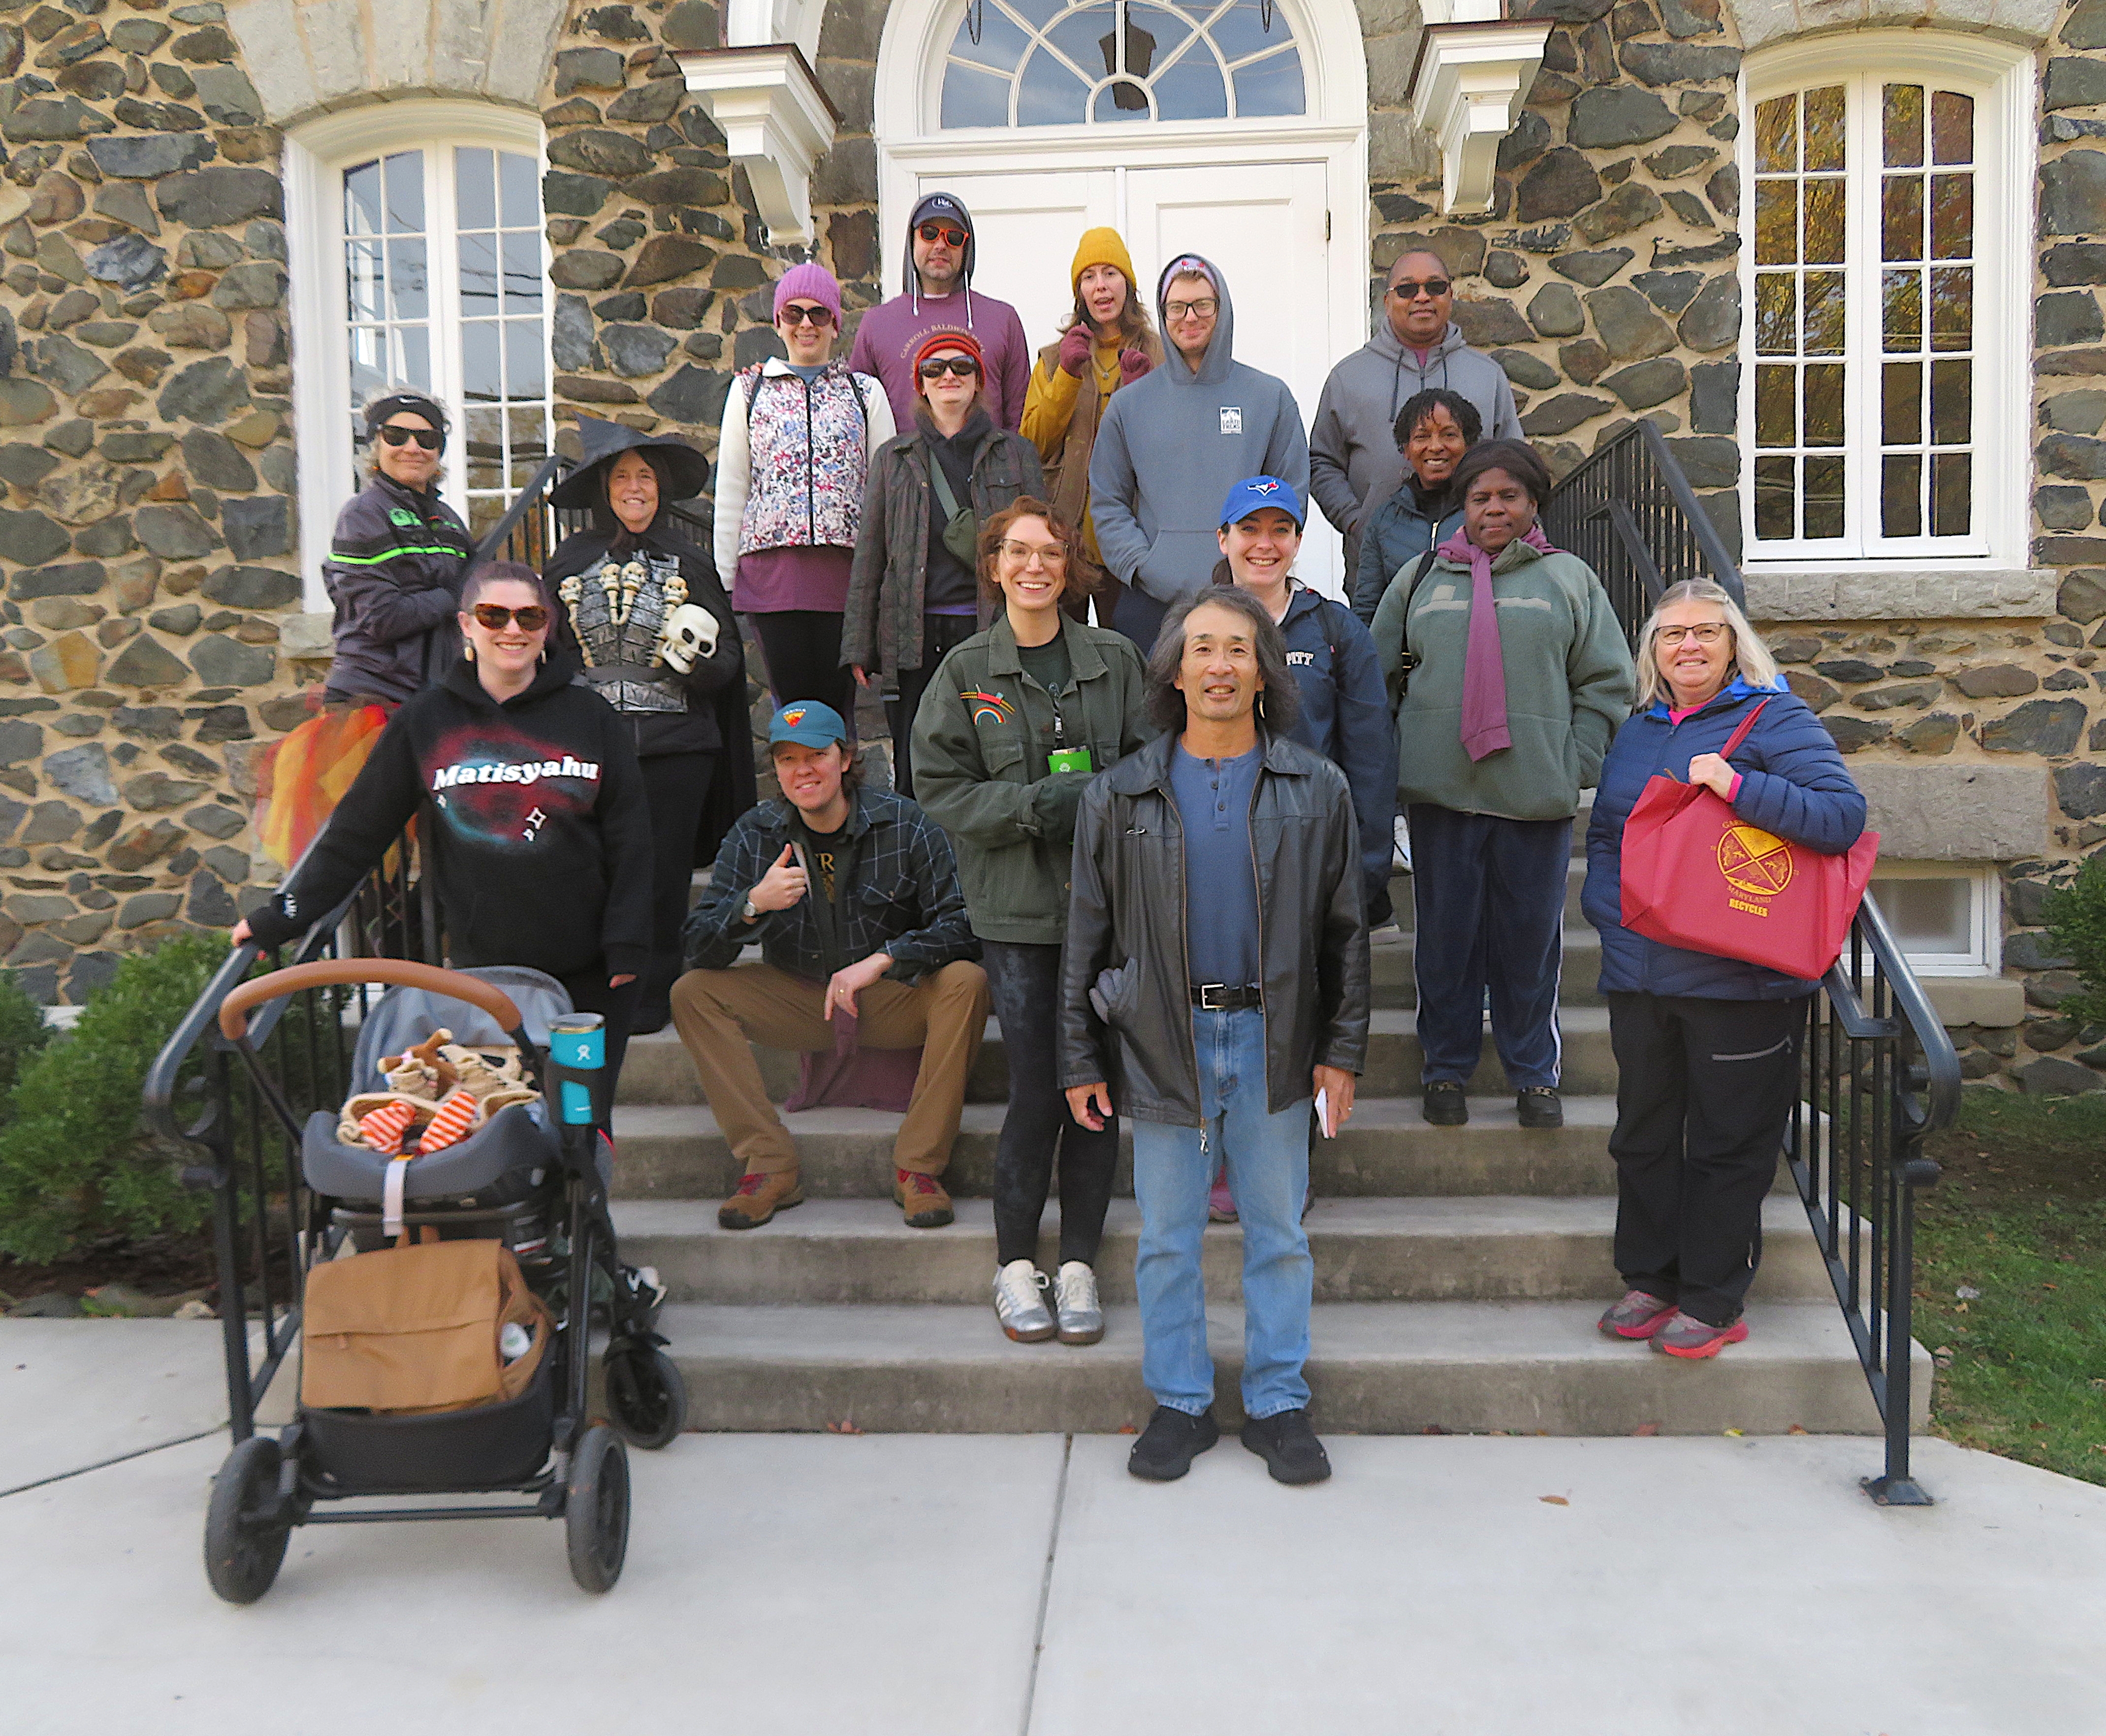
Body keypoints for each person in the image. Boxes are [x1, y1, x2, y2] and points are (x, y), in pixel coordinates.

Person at [1061, 587, 1370, 1487]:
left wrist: (1342, 1051)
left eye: (1238, 648)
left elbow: (1346, 932)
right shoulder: (1120, 793)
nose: (1219, 666)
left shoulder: (1317, 788)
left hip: (1276, 1039)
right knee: (1167, 1236)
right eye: (1201, 648)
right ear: (1174, 671)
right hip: (1165, 1039)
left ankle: (1277, 1402)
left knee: (1278, 1234)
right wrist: (1078, 1054)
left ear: (1263, 672)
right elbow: (1085, 934)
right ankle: (1180, 1402)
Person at [1585, 579, 1865, 1360]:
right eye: (1672, 633)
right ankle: (1650, 1277)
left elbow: (1841, 816)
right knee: (1642, 1136)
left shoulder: (1775, 717)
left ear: (1733, 643)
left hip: (1738, 977)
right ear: (1653, 650)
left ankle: (1711, 1297)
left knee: (1726, 1141)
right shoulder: (1639, 727)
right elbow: (1608, 833)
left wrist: (1738, 785)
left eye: (1706, 631)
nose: (1688, 646)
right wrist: (1609, 913)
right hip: (1641, 973)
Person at [235, 561, 653, 1082]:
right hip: (486, 978)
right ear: (466, 625)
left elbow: (632, 838)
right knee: (500, 1111)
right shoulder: (426, 720)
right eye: (494, 615)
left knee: (582, 1114)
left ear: (546, 627)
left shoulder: (592, 716)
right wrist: (280, 918)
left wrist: (629, 944)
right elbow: (357, 832)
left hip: (591, 973)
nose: (513, 630)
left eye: (529, 617)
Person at [911, 498, 1150, 1348]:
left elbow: (1154, 764)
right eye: (1017, 552)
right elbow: (939, 787)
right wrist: (1033, 806)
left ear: (1070, 565)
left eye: (1050, 552)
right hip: (1015, 912)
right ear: (994, 566)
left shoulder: (1116, 661)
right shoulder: (965, 672)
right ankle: (1015, 1263)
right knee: (1038, 1087)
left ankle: (1078, 1260)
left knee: (1097, 1087)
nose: (1034, 566)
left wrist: (1102, 802)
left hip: (1108, 911)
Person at [1371, 438, 1633, 1132]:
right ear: (1462, 505)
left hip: (1533, 798)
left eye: (1508, 496)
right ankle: (1445, 1067)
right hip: (1441, 797)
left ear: (1533, 503)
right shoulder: (1420, 578)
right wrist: (1400, 757)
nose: (1494, 508)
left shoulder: (1568, 579)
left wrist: (1575, 762)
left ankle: (1534, 1072)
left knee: (1528, 944)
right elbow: (1377, 680)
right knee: (1445, 942)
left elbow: (1606, 681)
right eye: (1480, 497)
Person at [672, 701, 989, 1232]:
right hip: (801, 1001)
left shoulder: (905, 823)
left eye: (817, 755)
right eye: (788, 759)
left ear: (844, 759)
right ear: (776, 769)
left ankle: (918, 1167)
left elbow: (963, 924)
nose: (804, 771)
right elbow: (698, 947)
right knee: (692, 993)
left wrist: (886, 959)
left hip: (889, 999)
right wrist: (752, 905)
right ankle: (770, 1165)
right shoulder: (754, 832)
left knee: (966, 982)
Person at [1204, 474, 1395, 1224]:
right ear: (1223, 539)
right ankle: (1224, 1154)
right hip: (1215, 856)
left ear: (1297, 541)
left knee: (1299, 1017)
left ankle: (1286, 1162)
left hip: (1309, 862)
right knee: (1222, 1015)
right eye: (1249, 529)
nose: (1264, 544)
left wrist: (1367, 864)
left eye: (1279, 529)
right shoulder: (1194, 625)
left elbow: (1370, 755)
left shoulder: (1336, 630)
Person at [543, 418, 751, 1035]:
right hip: (592, 746)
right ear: (604, 488)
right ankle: (591, 986)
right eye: (622, 477)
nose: (635, 488)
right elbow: (546, 650)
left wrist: (698, 665)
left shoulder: (692, 561)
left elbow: (729, 657)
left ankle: (653, 995)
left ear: (660, 488)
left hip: (676, 748)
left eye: (646, 477)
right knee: (590, 871)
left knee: (663, 878)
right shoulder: (568, 562)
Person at [843, 330, 1045, 799]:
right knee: (916, 761)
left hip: (992, 629)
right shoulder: (893, 458)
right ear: (921, 384)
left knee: (996, 756)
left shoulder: (1016, 454)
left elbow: (1041, 547)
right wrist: (858, 645)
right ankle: (921, 846)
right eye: (934, 369)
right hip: (913, 638)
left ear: (979, 381)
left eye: (962, 367)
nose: (948, 376)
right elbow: (870, 555)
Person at [1088, 255, 1310, 652]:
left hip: (1249, 601)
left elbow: (1290, 495)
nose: (1190, 317)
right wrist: (1142, 566)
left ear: (1221, 309)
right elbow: (1108, 502)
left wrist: (1258, 565)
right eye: (1177, 307)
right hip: (1152, 606)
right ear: (1163, 314)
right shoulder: (1128, 405)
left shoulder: (1269, 398)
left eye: (1202, 305)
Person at [714, 262, 895, 725]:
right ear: (778, 322)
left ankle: (840, 776)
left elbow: (887, 490)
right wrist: (726, 578)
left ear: (836, 323)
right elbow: (733, 484)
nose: (806, 325)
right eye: (794, 314)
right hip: (772, 579)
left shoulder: (864, 393)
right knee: (793, 712)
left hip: (847, 578)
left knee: (838, 711)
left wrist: (885, 575)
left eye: (819, 313)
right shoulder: (748, 391)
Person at [1309, 249, 1522, 574]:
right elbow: (1322, 462)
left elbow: (1515, 462)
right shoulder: (1348, 377)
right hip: (1378, 564)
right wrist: (1355, 521)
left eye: (1434, 287)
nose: (1422, 297)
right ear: (1387, 301)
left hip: (1476, 560)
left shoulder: (1487, 375)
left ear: (1450, 295)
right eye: (1407, 289)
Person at [1017, 227, 1160, 613]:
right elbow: (1031, 446)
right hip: (1063, 541)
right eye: (1089, 277)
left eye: (1111, 273)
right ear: (1079, 292)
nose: (1101, 286)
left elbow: (1177, 452)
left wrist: (1142, 397)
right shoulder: (1054, 358)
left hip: (1135, 542)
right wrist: (1067, 376)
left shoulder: (1163, 355)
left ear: (1128, 284)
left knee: (1130, 647)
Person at [320, 390, 473, 707]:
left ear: (439, 450)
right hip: (374, 695)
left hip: (437, 694)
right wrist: (453, 595)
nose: (412, 448)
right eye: (396, 436)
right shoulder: (362, 514)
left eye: (427, 439)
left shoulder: (450, 521)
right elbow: (383, 618)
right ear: (376, 446)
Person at [847, 192, 1031, 433]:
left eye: (954, 237)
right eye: (929, 233)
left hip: (989, 457)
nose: (941, 245)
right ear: (912, 240)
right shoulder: (877, 323)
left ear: (966, 248)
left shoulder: (1003, 319)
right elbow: (857, 415)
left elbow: (1020, 417)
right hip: (904, 457)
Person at [1349, 387, 1478, 625]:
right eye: (1422, 437)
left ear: (1468, 445)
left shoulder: (1488, 512)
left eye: (1449, 435)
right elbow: (1368, 610)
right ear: (1406, 449)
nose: (1436, 446)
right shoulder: (1385, 520)